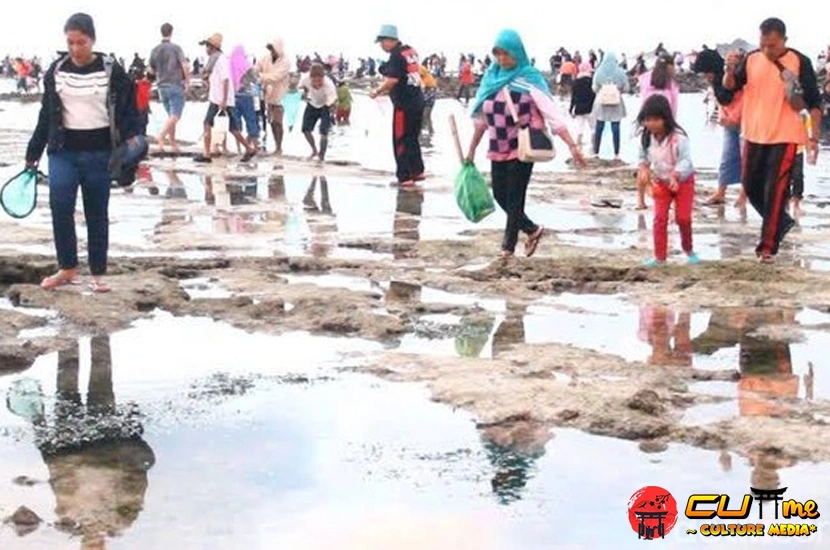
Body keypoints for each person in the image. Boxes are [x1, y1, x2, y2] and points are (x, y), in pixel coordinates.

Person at [25, 13, 142, 294]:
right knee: (60, 206)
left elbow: (129, 111)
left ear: (93, 40)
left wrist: (134, 144)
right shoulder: (56, 70)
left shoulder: (112, 71)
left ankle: (98, 273)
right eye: (70, 42)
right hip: (62, 152)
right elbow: (46, 116)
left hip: (100, 153)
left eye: (81, 42)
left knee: (96, 213)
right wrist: (33, 153)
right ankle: (67, 268)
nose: (76, 48)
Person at [465, 29, 585, 259]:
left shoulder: (529, 78)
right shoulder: (491, 79)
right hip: (497, 148)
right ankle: (531, 229)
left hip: (523, 148)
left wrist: (572, 145)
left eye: (506, 54)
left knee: (515, 197)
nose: (502, 59)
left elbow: (552, 115)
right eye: (498, 54)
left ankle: (507, 249)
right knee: (500, 195)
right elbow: (481, 121)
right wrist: (471, 151)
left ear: (517, 53)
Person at [724, 17, 822, 263]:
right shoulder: (752, 59)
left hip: (786, 135)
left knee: (776, 192)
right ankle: (783, 221)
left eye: (773, 45)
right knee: (749, 184)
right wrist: (728, 70)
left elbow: (815, 104)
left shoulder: (800, 61)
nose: (767, 50)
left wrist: (813, 139)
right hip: (754, 134)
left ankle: (767, 248)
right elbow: (730, 89)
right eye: (763, 44)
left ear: (784, 41)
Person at [636, 95, 699, 267]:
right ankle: (660, 257)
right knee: (659, 218)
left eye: (656, 119)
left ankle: (689, 249)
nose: (652, 124)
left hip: (683, 181)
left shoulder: (679, 137)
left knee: (683, 218)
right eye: (648, 120)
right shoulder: (646, 137)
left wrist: (676, 175)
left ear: (665, 118)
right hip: (661, 182)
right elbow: (643, 157)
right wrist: (643, 168)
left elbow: (686, 160)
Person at [369, 24, 425, 186]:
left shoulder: (396, 55)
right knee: (412, 138)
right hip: (418, 100)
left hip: (404, 104)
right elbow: (405, 72)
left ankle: (405, 176)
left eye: (382, 41)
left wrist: (377, 91)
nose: (381, 45)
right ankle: (417, 170)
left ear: (389, 40)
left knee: (400, 139)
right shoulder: (410, 51)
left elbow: (393, 80)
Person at [692, 48, 746, 207]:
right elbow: (722, 103)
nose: (705, 77)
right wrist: (724, 118)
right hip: (730, 123)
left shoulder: (734, 77)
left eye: (705, 73)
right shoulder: (716, 83)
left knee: (746, 159)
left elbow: (744, 96)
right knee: (727, 157)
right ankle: (721, 192)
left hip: (745, 122)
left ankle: (744, 195)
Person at [194, 33, 253, 163]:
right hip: (218, 98)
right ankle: (248, 148)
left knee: (207, 123)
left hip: (220, 100)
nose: (206, 49)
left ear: (213, 47)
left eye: (207, 46)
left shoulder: (219, 59)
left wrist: (224, 100)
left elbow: (226, 80)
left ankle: (207, 154)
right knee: (233, 128)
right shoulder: (215, 60)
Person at [148, 22, 189, 153]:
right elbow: (185, 65)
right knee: (175, 116)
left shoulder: (155, 50)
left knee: (170, 116)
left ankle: (172, 143)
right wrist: (187, 81)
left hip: (161, 86)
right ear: (171, 32)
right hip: (174, 84)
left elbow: (151, 71)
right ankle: (161, 136)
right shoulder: (176, 48)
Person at [592, 51, 629, 160]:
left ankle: (596, 152)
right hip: (616, 103)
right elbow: (626, 88)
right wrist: (617, 90)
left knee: (599, 126)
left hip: (601, 102)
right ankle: (616, 154)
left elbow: (594, 88)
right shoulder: (621, 72)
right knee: (616, 127)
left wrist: (603, 90)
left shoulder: (598, 72)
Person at [257, 38, 291, 155]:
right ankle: (276, 146)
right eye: (270, 49)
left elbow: (276, 76)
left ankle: (279, 146)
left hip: (281, 94)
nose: (272, 51)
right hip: (269, 94)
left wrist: (260, 76)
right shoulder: (265, 58)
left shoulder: (286, 61)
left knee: (278, 122)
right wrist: (256, 72)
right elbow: (257, 68)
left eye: (273, 49)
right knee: (271, 122)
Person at [299, 63, 337, 162]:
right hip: (312, 103)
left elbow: (332, 98)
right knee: (305, 129)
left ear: (323, 78)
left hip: (325, 105)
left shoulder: (328, 84)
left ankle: (321, 156)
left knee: (324, 132)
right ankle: (314, 150)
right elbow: (297, 87)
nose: (317, 83)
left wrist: (331, 108)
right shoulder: (306, 80)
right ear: (310, 78)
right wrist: (303, 93)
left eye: (319, 80)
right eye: (314, 80)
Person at [229, 44, 260, 160]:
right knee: (251, 120)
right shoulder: (247, 65)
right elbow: (255, 79)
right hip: (246, 96)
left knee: (236, 124)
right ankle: (255, 146)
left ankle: (239, 148)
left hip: (233, 97)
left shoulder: (229, 64)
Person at [569, 62, 596, 149]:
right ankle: (594, 146)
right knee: (593, 128)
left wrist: (571, 109)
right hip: (591, 108)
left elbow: (573, 97)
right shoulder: (592, 82)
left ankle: (578, 146)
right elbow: (595, 95)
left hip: (579, 109)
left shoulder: (576, 82)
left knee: (579, 128)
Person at [420, 63, 437, 135]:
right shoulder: (427, 78)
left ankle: (422, 131)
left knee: (425, 115)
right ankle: (431, 131)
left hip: (429, 102)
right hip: (429, 101)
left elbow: (427, 95)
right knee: (427, 116)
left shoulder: (428, 81)